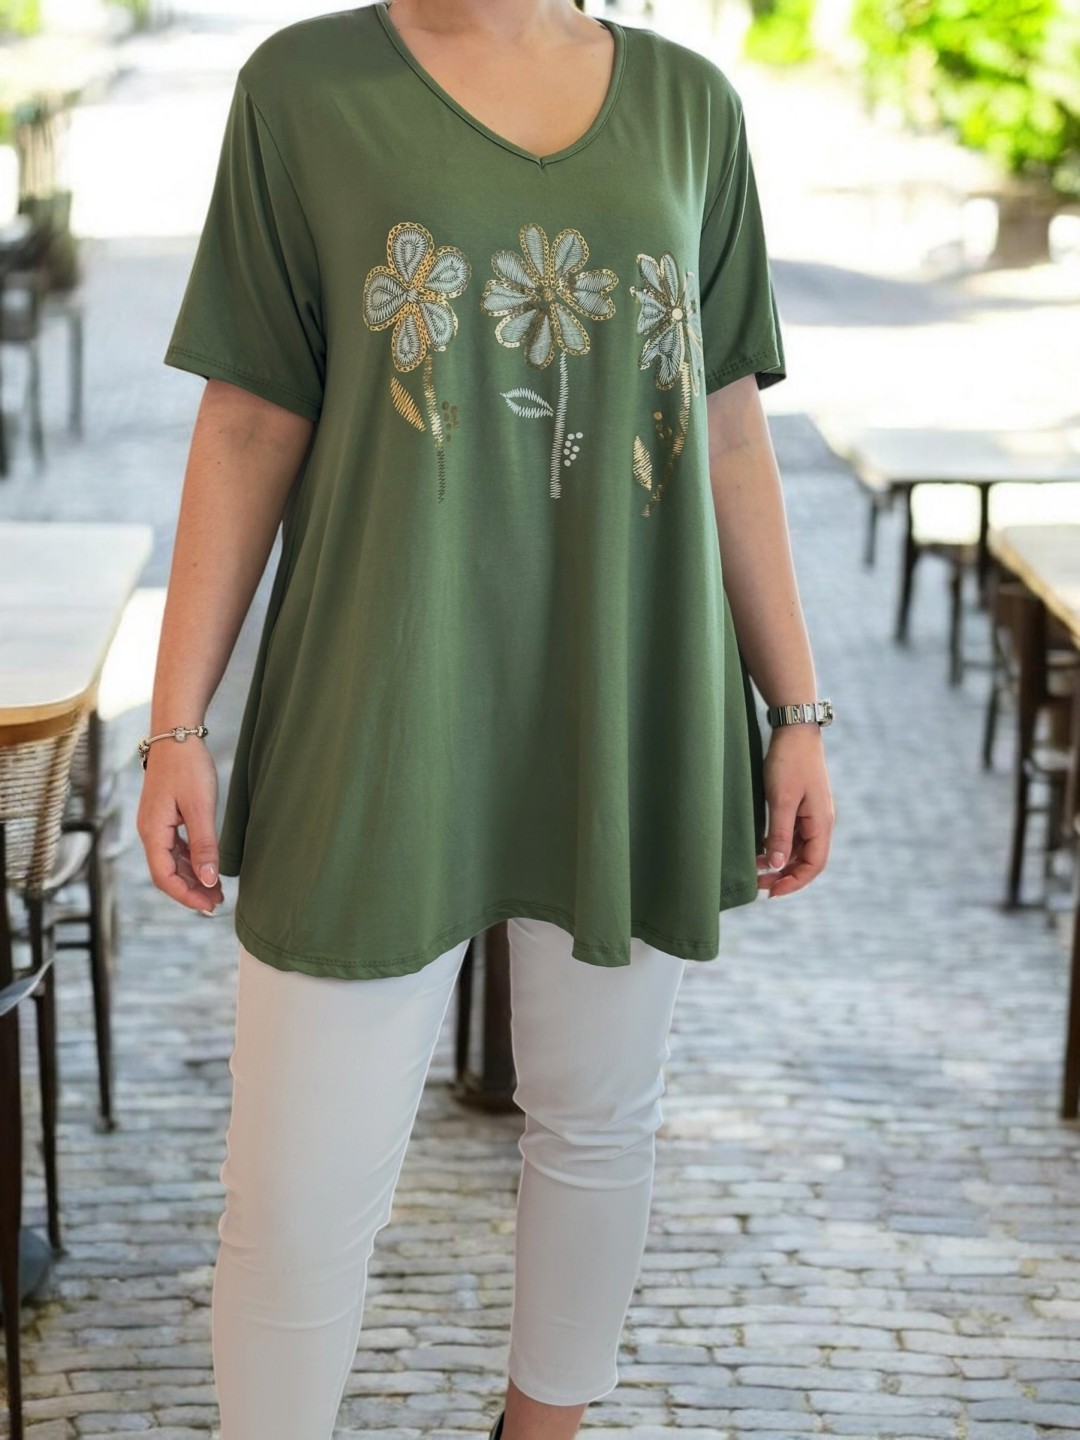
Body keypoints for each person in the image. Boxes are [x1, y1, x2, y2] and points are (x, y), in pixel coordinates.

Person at [136, 1, 836, 1437]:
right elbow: (250, 417)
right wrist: (177, 723)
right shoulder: (304, 88)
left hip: (629, 685)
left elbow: (726, 424)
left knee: (599, 1120)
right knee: (295, 1188)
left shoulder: (690, 105)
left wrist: (795, 708)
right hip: (375, 691)